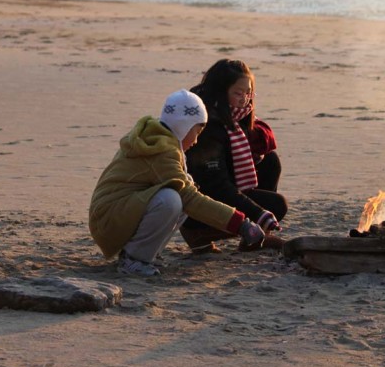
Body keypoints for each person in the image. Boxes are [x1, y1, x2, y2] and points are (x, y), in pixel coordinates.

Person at [88, 89, 268, 277]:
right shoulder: (162, 152)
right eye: (197, 131)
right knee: (171, 199)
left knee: (182, 187)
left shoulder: (157, 139)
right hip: (107, 221)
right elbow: (191, 200)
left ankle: (144, 254)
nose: (197, 140)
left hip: (112, 214)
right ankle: (134, 259)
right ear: (184, 126)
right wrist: (241, 224)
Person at [181, 59, 287, 253]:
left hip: (221, 186)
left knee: (270, 161)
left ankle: (255, 237)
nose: (245, 99)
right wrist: (258, 213)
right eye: (238, 93)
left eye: (248, 93)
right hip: (199, 203)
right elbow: (216, 186)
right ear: (220, 92)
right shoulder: (206, 125)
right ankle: (199, 233)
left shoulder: (235, 116)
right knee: (277, 206)